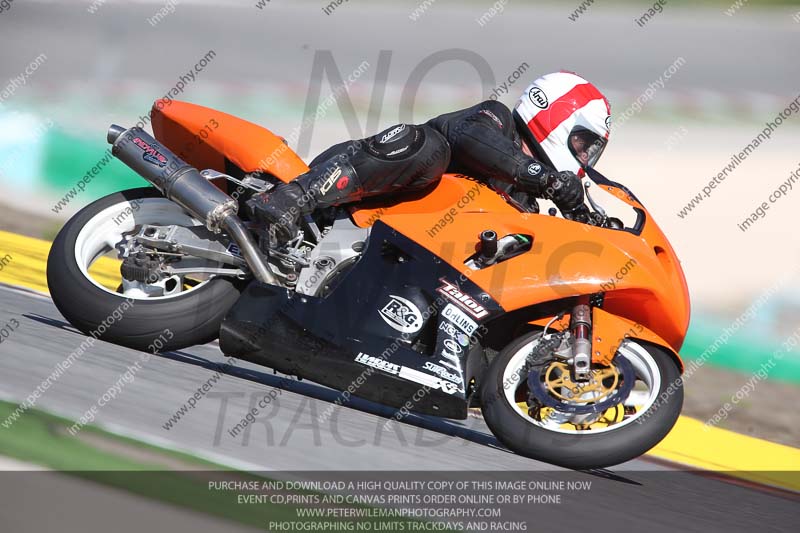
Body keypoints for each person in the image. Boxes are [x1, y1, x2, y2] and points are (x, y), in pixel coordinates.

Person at [247, 71, 611, 243]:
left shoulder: (525, 201)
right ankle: (294, 196)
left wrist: (585, 223)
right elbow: (471, 140)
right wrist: (546, 178)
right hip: (346, 200)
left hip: (393, 255)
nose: (584, 155)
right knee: (429, 148)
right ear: (553, 116)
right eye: (584, 143)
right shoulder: (495, 120)